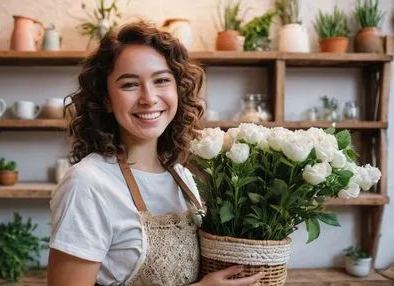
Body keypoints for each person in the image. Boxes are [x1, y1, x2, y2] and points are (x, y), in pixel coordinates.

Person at [48, 21, 264, 286]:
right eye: (129, 85)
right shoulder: (88, 183)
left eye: (161, 80)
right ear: (106, 98)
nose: (149, 98)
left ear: (178, 89)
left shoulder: (182, 175)